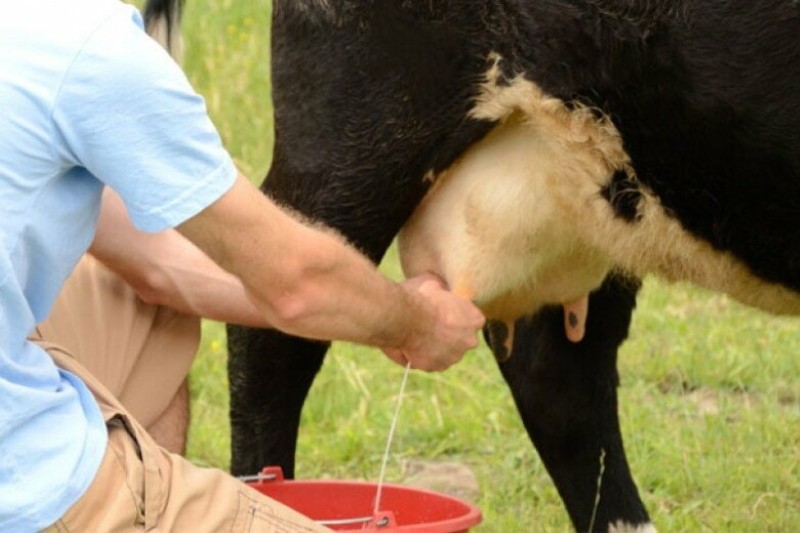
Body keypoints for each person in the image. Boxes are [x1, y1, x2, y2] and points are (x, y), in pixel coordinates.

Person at [0, 1, 485, 531]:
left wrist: (379, 307)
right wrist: (419, 323)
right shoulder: (85, 48)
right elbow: (295, 283)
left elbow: (158, 261)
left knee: (134, 303)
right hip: (20, 481)